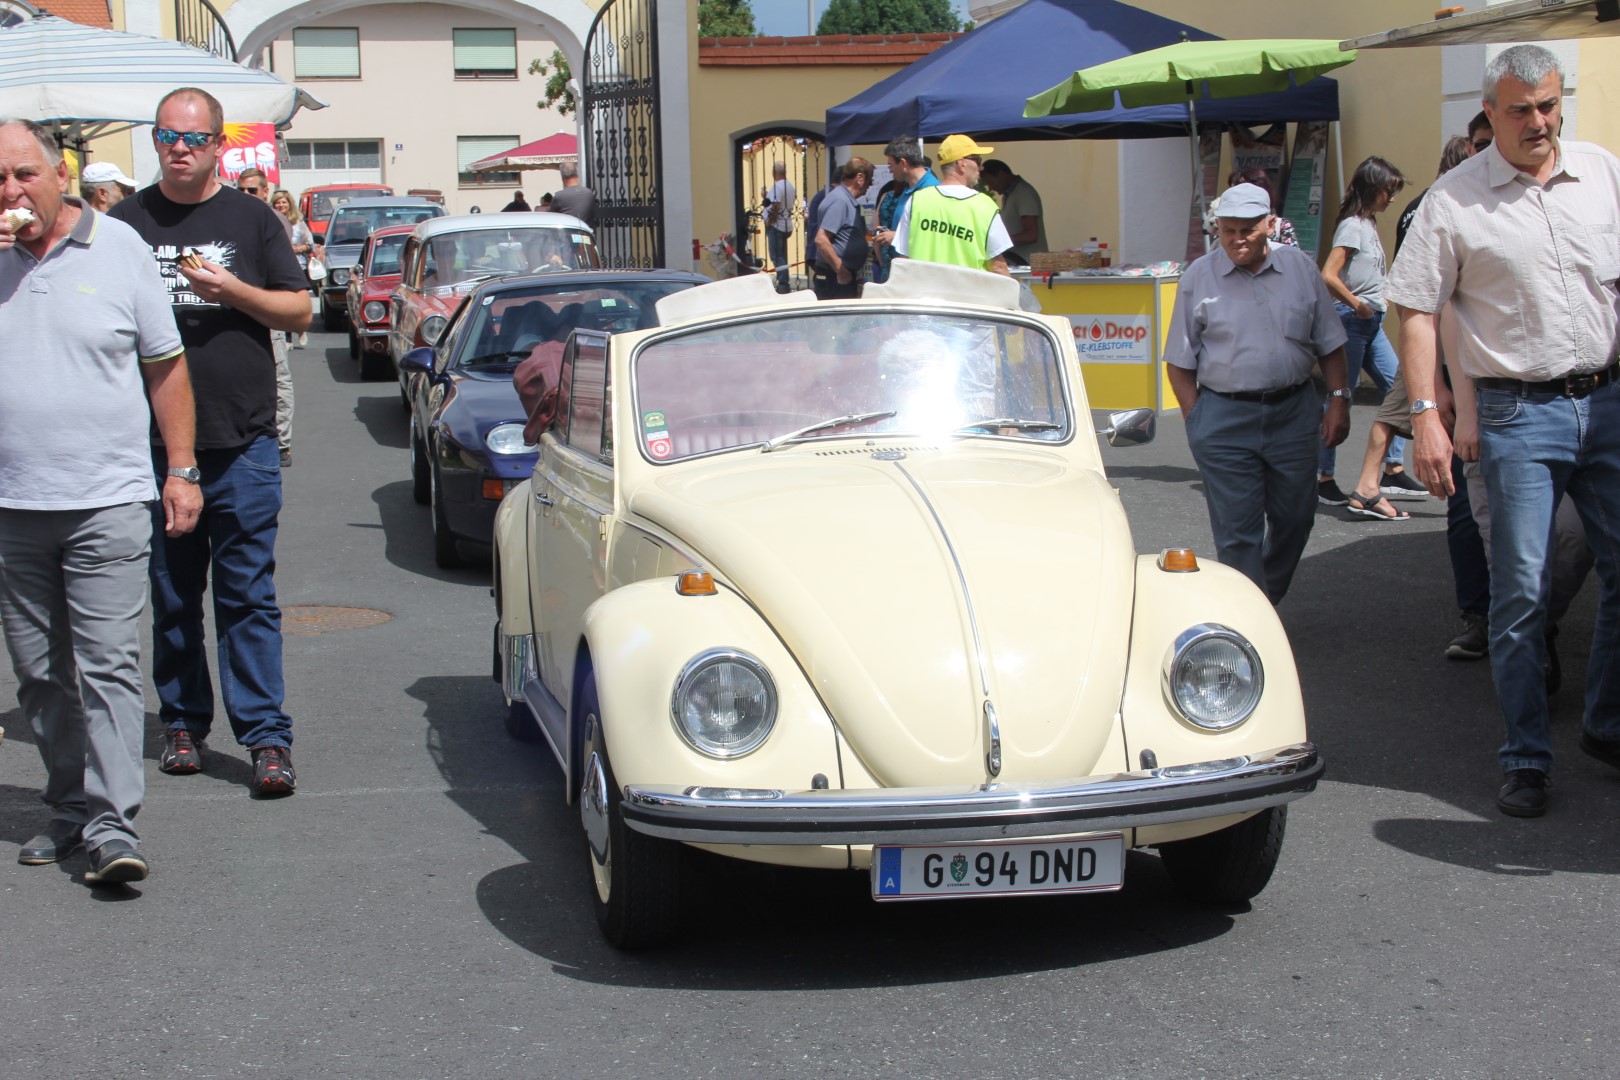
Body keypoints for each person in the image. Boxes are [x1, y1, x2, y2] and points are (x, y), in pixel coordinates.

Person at [1387, 44, 1620, 818]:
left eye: (1550, 105)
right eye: (1520, 109)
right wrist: (1427, 415)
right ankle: (1526, 755)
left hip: (1609, 404)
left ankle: (1604, 726)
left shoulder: (1603, 174)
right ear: (1489, 112)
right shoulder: (1453, 201)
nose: (1539, 123)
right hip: (1520, 413)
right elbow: (1416, 309)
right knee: (1521, 593)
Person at [0, 117, 202, 883]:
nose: (12, 192)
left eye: (24, 174)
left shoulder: (118, 249)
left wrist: (181, 469)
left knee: (108, 664)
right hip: (13, 505)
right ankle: (68, 809)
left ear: (61, 176)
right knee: (39, 674)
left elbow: (166, 366)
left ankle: (115, 825)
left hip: (108, 499)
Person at [109, 86, 311, 798]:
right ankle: (183, 725)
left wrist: (234, 293)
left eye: (194, 138)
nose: (181, 148)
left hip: (243, 440)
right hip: (153, 447)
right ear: (156, 141)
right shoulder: (125, 222)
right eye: (168, 136)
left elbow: (301, 308)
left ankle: (265, 739)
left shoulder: (252, 219)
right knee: (171, 594)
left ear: (219, 144)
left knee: (248, 595)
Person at [1164, 182, 1352, 604]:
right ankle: (1249, 623)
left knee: (1297, 519)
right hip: (1225, 418)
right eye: (1227, 230)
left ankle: (1262, 603)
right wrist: (1197, 420)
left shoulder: (1301, 269)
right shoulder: (1198, 277)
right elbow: (1178, 360)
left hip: (1294, 412)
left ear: (1270, 224)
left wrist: (1339, 398)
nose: (1236, 239)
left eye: (1247, 229)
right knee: (1237, 534)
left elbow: (1330, 343)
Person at [1341, 139, 1473, 526]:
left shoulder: (1426, 206)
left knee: (1400, 403)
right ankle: (1360, 484)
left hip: (1421, 327)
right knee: (1398, 404)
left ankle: (1379, 478)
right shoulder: (1438, 206)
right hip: (1429, 331)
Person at [1313, 156, 1414, 509]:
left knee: (1400, 388)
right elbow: (1328, 274)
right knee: (1341, 396)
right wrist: (1357, 304)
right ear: (1372, 188)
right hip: (1352, 321)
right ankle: (1322, 477)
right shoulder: (1353, 226)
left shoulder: (1367, 223)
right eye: (1389, 190)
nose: (1393, 198)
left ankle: (1392, 468)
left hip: (1371, 323)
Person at [236, 168, 297, 466]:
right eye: (241, 190)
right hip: (238, 308)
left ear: (264, 191)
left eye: (251, 190)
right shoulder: (232, 218)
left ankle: (282, 441)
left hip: (268, 309)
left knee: (278, 376)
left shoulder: (274, 221)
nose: (246, 195)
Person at [893, 134, 1012, 276]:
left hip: (923, 295)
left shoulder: (917, 200)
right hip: (967, 296)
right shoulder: (985, 206)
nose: (981, 168)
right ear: (962, 164)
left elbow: (904, 259)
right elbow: (998, 267)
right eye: (978, 161)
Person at [871, 135, 939, 275]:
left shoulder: (932, 191)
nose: (890, 170)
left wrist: (895, 237)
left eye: (891, 165)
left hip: (920, 274)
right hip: (904, 270)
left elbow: (933, 237)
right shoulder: (909, 188)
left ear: (903, 163)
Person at [811, 156, 874, 300]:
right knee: (838, 321)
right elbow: (821, 239)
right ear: (860, 178)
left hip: (839, 275)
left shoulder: (845, 199)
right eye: (869, 180)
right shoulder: (840, 200)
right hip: (834, 277)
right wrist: (841, 270)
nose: (870, 185)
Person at [979, 159, 1046, 266]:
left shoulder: (1023, 193)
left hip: (1028, 264)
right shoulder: (1009, 194)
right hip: (1018, 262)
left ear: (1001, 174)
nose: (990, 188)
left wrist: (999, 241)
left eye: (991, 183)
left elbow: (1031, 234)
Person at [763, 161, 796, 293]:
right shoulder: (790, 186)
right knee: (782, 255)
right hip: (787, 224)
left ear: (774, 172)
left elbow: (776, 205)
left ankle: (783, 284)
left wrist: (770, 221)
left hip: (777, 225)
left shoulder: (777, 187)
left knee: (776, 256)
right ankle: (783, 281)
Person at [549, 161, 595, 228]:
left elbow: (551, 218)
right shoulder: (589, 193)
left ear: (562, 177)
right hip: (586, 234)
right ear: (577, 174)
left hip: (568, 235)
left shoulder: (559, 196)